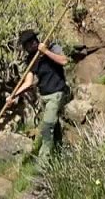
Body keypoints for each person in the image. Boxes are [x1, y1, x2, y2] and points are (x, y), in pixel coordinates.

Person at [7, 29, 71, 165]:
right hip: (45, 97)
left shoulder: (52, 47)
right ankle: (61, 156)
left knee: (47, 127)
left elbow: (64, 61)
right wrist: (13, 95)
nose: (31, 45)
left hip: (57, 93)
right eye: (27, 44)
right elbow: (28, 82)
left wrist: (46, 52)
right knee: (55, 127)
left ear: (36, 39)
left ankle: (43, 164)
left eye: (32, 41)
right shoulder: (31, 59)